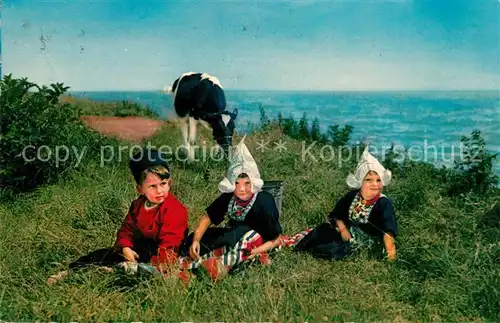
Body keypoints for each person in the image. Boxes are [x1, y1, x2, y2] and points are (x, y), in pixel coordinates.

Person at [47, 148, 189, 284]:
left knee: (137, 272)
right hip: (138, 249)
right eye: (152, 186)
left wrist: (155, 266)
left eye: (163, 184)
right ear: (140, 189)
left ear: (169, 184)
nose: (159, 191)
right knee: (102, 255)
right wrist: (125, 248)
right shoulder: (137, 205)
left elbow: (170, 244)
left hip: (161, 253)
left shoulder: (175, 210)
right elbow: (126, 230)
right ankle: (72, 272)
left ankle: (119, 273)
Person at [178, 137, 283, 280]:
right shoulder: (229, 197)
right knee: (206, 237)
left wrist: (256, 251)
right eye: (237, 183)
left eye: (247, 183)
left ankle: (217, 267)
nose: (242, 189)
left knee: (247, 238)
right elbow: (208, 218)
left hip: (256, 241)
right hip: (232, 236)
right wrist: (196, 239)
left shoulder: (264, 201)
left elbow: (276, 239)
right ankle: (182, 263)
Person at [280, 146, 398, 261]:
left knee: (330, 250)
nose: (374, 185)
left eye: (378, 180)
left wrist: (391, 255)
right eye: (368, 180)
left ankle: (313, 250)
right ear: (360, 182)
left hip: (364, 244)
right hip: (346, 235)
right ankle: (297, 249)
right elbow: (337, 215)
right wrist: (342, 229)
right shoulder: (353, 196)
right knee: (320, 230)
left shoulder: (383, 203)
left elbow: (388, 232)